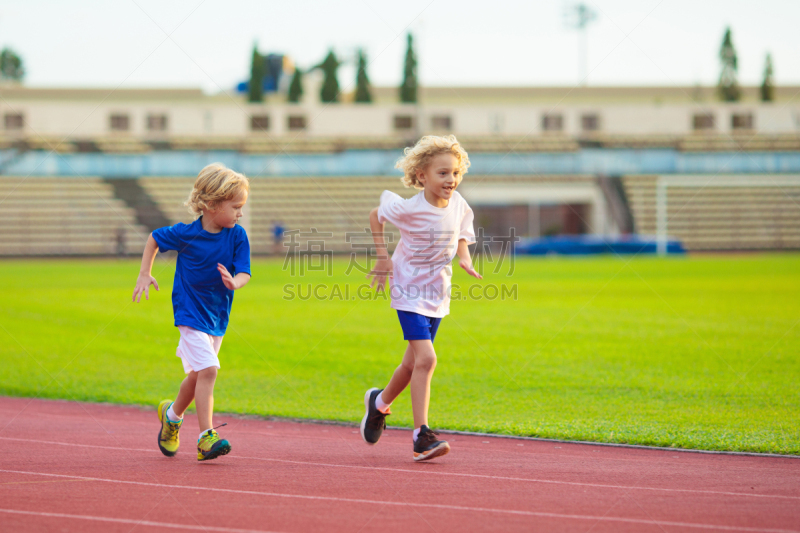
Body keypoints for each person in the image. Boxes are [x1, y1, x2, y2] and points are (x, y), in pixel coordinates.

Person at [362, 135, 482, 461]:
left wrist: (464, 257)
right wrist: (382, 257)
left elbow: (461, 231)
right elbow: (376, 215)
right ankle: (421, 435)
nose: (451, 180)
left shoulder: (458, 203)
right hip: (408, 290)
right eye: (443, 173)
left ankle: (379, 404)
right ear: (421, 176)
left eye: (455, 173)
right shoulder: (409, 208)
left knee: (412, 363)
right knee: (427, 360)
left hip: (437, 292)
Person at [132, 163, 251, 461]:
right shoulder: (185, 234)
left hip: (217, 318)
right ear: (211, 205)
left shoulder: (237, 236)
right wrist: (144, 273)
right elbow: (155, 239)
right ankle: (206, 438)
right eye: (235, 206)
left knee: (198, 375)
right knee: (210, 370)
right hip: (189, 314)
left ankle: (171, 416)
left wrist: (234, 282)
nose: (240, 213)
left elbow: (245, 272)